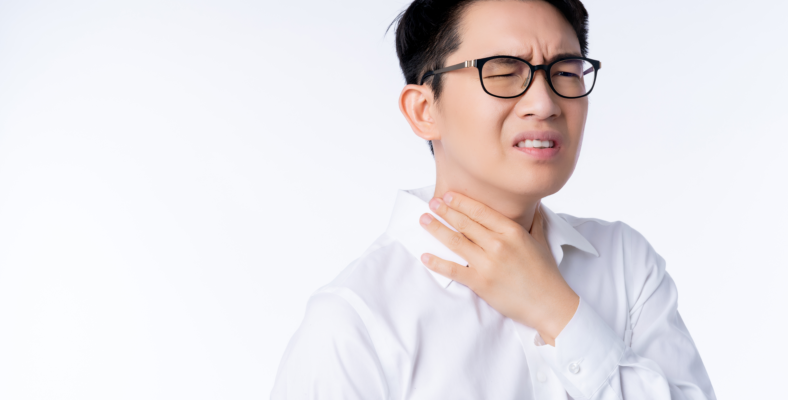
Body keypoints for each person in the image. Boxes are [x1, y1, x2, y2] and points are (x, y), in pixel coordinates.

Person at [270, 0, 716, 398]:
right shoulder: (355, 322)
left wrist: (556, 309)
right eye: (504, 71)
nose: (544, 103)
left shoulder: (625, 263)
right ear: (424, 111)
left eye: (564, 72)